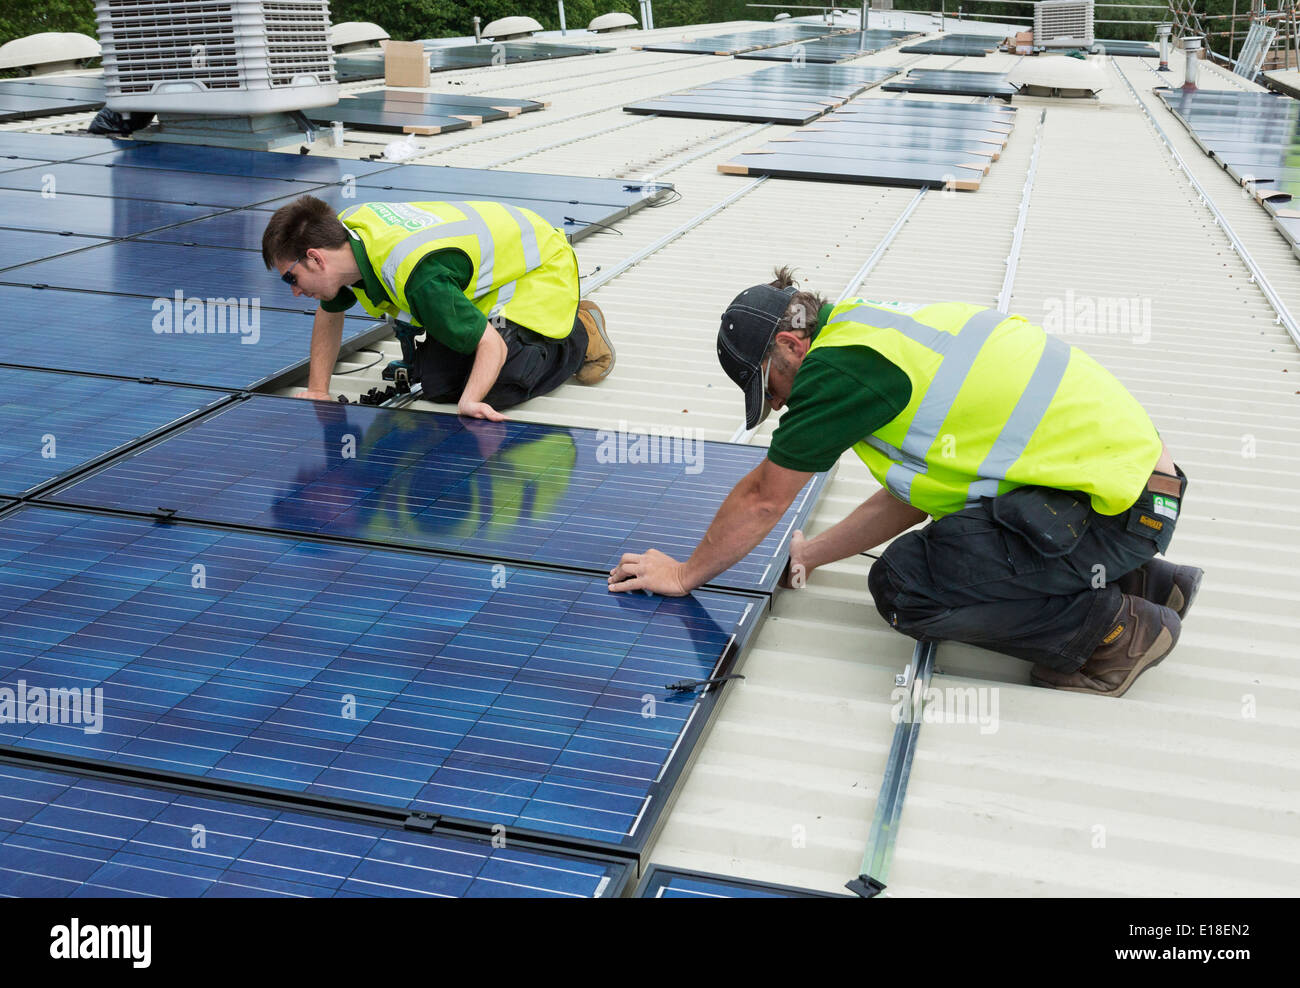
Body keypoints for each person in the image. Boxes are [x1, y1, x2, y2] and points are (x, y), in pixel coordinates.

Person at [608, 267, 1204, 699]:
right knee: (960, 538)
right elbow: (909, 497)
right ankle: (1146, 578)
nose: (783, 405)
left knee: (907, 585)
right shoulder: (875, 333)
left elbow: (765, 496)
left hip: (1113, 509)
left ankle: (1114, 632)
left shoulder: (837, 371)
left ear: (792, 345)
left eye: (773, 387)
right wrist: (812, 553)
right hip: (1132, 496)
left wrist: (685, 575)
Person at [261, 196, 614, 419]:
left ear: (315, 258)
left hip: (537, 268)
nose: (293, 291)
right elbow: (330, 311)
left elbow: (492, 344)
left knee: (496, 387)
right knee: (438, 382)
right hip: (466, 278)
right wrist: (318, 389)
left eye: (290, 278)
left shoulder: (416, 275)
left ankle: (581, 330)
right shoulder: (345, 240)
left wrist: (471, 403)